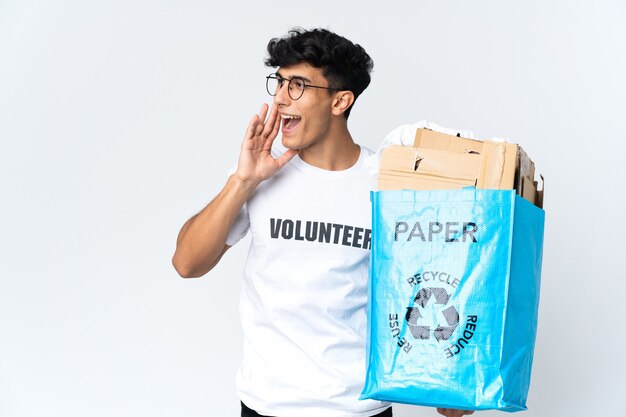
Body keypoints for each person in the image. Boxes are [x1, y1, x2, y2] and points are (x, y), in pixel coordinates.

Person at [172, 28, 473, 417]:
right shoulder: (258, 173)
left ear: (340, 101)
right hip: (267, 407)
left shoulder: (387, 182)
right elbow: (186, 263)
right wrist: (242, 181)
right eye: (279, 83)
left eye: (297, 85)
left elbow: (427, 280)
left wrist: (448, 383)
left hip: (359, 408)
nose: (280, 98)